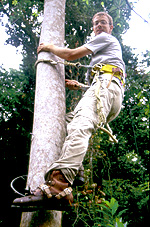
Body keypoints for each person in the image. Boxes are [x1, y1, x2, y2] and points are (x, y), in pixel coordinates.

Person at [13, 12, 125, 206]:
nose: (99, 26)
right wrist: (81, 86)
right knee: (64, 122)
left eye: (103, 23)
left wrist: (49, 47)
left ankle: (58, 187)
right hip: (108, 91)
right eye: (96, 23)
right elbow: (106, 82)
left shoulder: (105, 38)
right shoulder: (105, 53)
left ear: (110, 27)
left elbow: (72, 55)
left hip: (106, 86)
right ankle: (77, 168)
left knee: (79, 126)